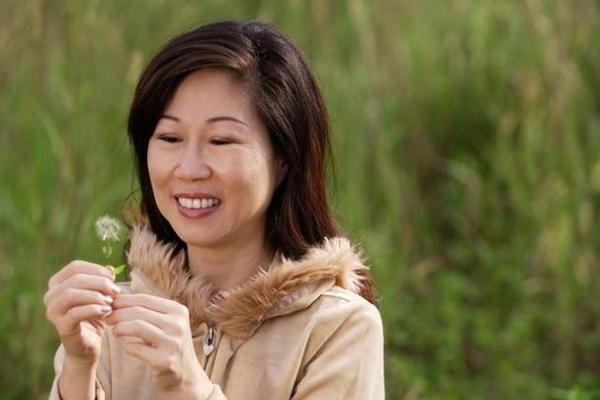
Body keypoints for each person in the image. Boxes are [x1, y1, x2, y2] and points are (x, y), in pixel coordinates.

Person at [44, 20, 385, 400]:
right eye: (170, 138)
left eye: (221, 140)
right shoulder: (111, 321)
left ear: (286, 157)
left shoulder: (337, 327)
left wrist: (189, 387)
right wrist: (78, 367)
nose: (189, 169)